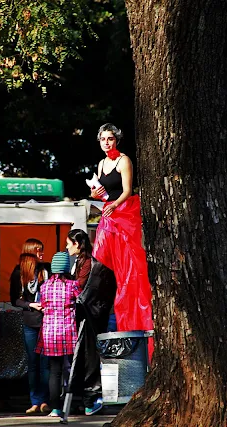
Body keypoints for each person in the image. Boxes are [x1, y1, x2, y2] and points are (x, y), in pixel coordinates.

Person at [90, 123, 154, 339]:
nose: (107, 142)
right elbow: (100, 194)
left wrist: (114, 205)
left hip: (123, 213)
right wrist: (96, 194)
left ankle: (133, 315)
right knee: (103, 259)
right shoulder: (100, 164)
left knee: (129, 266)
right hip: (109, 215)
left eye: (110, 138)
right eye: (103, 139)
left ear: (116, 140)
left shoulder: (123, 160)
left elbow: (127, 190)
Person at [65, 229, 116, 416]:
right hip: (85, 316)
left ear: (77, 244)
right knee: (83, 359)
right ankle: (85, 400)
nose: (67, 247)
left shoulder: (89, 264)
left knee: (88, 358)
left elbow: (82, 290)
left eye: (69, 243)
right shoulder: (83, 262)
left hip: (89, 318)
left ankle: (90, 399)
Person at [35, 252, 80, 418]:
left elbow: (43, 305)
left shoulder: (44, 286)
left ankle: (55, 408)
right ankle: (70, 404)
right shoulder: (72, 285)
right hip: (68, 332)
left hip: (49, 333)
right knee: (70, 370)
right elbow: (81, 302)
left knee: (54, 371)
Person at [8, 238, 50, 415]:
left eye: (42, 250)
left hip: (47, 322)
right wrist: (30, 305)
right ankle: (35, 400)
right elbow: (14, 300)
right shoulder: (19, 272)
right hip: (29, 321)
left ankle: (46, 401)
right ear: (30, 252)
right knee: (33, 363)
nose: (42, 254)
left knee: (46, 363)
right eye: (38, 250)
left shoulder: (46, 269)